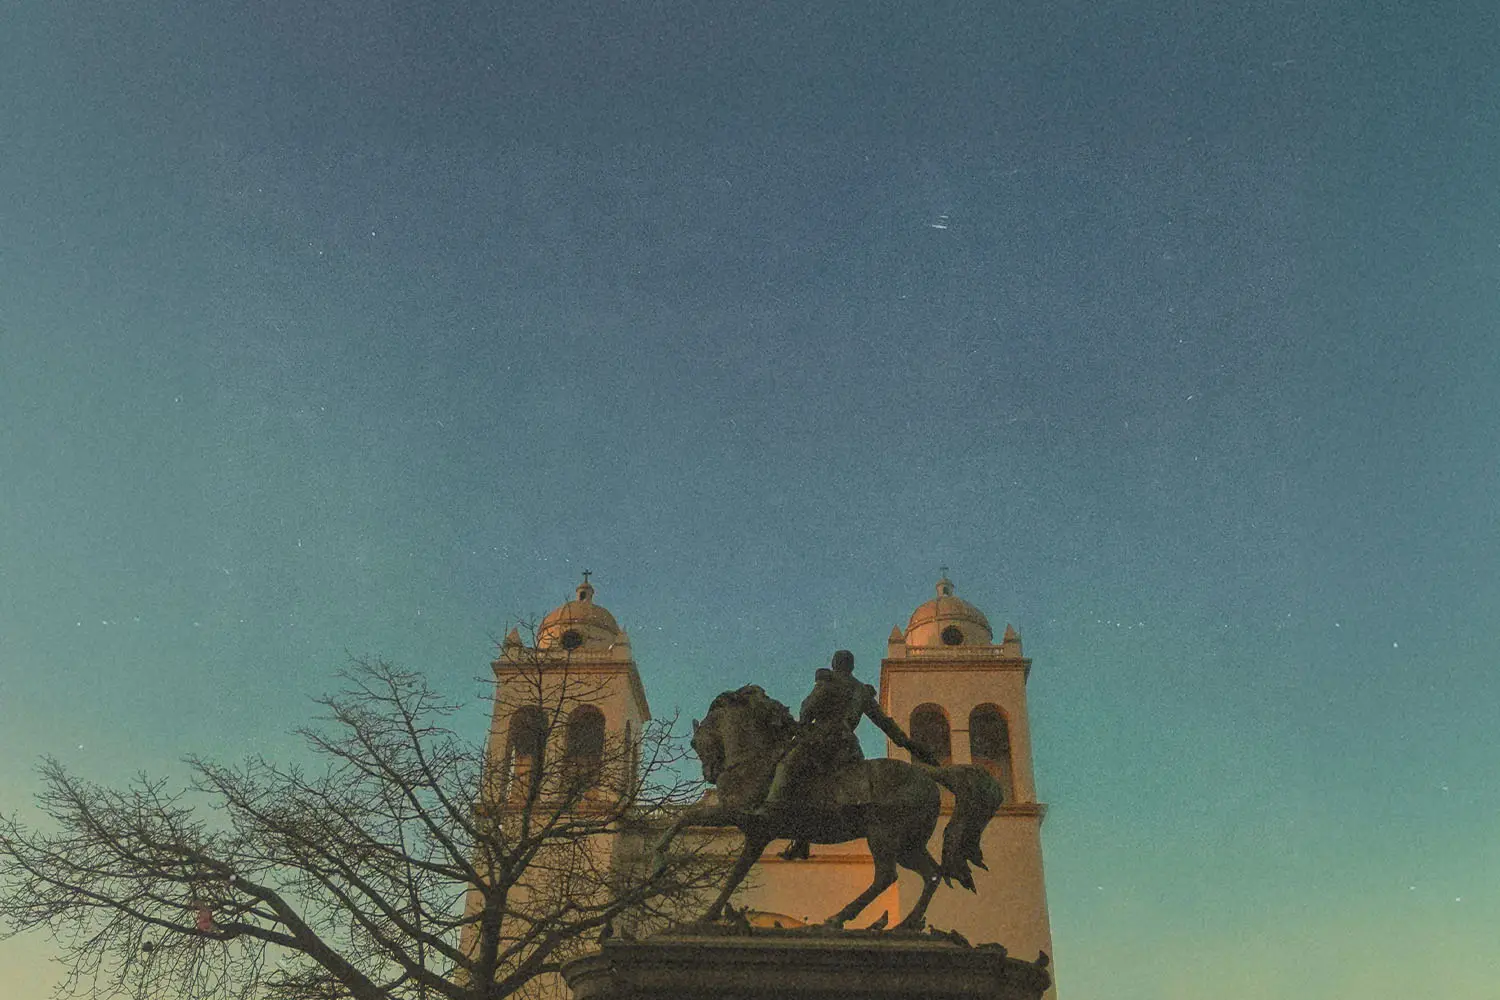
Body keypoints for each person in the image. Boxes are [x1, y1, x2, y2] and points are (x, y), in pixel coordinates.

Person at [759, 650, 939, 820]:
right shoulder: (862, 691)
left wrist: (804, 725)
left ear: (834, 664)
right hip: (848, 748)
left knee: (787, 765)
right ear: (851, 667)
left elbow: (808, 708)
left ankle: (771, 807)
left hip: (820, 742)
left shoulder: (828, 681)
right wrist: (907, 743)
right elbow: (884, 722)